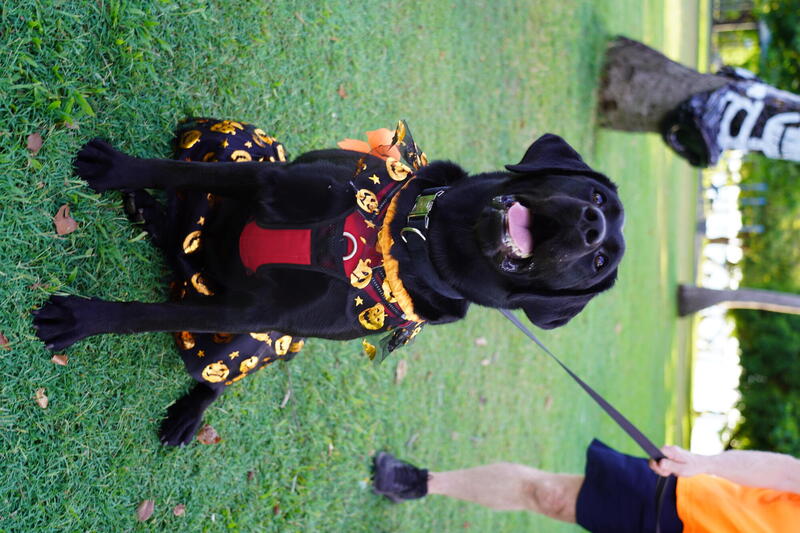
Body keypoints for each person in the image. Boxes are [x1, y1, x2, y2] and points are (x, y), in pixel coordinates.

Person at [372, 439, 800, 532]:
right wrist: (707, 463)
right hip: (689, 507)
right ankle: (422, 483)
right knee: (548, 495)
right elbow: (786, 474)